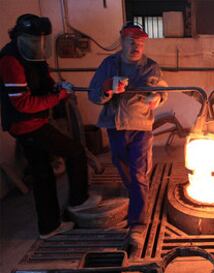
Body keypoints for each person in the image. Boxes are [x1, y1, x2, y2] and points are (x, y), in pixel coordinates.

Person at [0, 14, 101, 239]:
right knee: (75, 152)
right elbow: (22, 102)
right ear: (20, 36)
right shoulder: (10, 60)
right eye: (34, 40)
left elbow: (44, 80)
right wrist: (59, 96)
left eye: (41, 40)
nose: (38, 45)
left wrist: (57, 87)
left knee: (42, 174)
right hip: (26, 124)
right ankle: (78, 200)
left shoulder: (32, 55)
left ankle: (49, 227)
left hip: (35, 122)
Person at [88, 22, 167, 232]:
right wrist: (107, 89)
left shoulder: (151, 66)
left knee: (139, 171)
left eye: (140, 42)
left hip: (140, 125)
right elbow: (93, 94)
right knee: (121, 164)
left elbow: (161, 88)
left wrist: (157, 98)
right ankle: (136, 193)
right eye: (132, 42)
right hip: (115, 125)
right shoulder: (109, 65)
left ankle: (137, 223)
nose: (137, 46)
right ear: (122, 41)